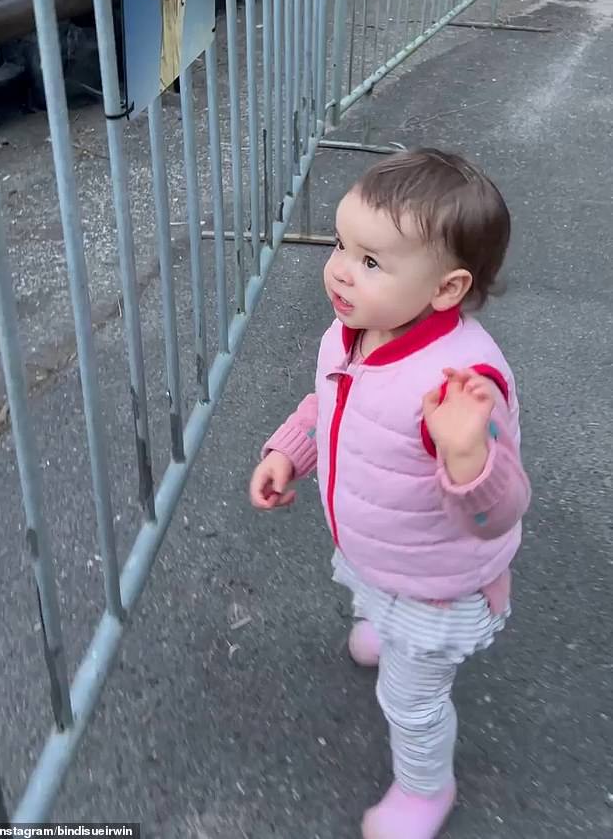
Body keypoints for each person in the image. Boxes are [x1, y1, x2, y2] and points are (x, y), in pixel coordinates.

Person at [249, 148, 531, 839]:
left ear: (446, 288)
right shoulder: (355, 330)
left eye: (371, 261)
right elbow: (331, 405)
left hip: (436, 582)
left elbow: (497, 512)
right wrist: (292, 449)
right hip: (381, 547)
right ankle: (381, 617)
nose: (342, 267)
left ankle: (424, 789)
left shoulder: (460, 388)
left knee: (411, 701)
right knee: (371, 588)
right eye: (343, 244)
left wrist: (468, 455)